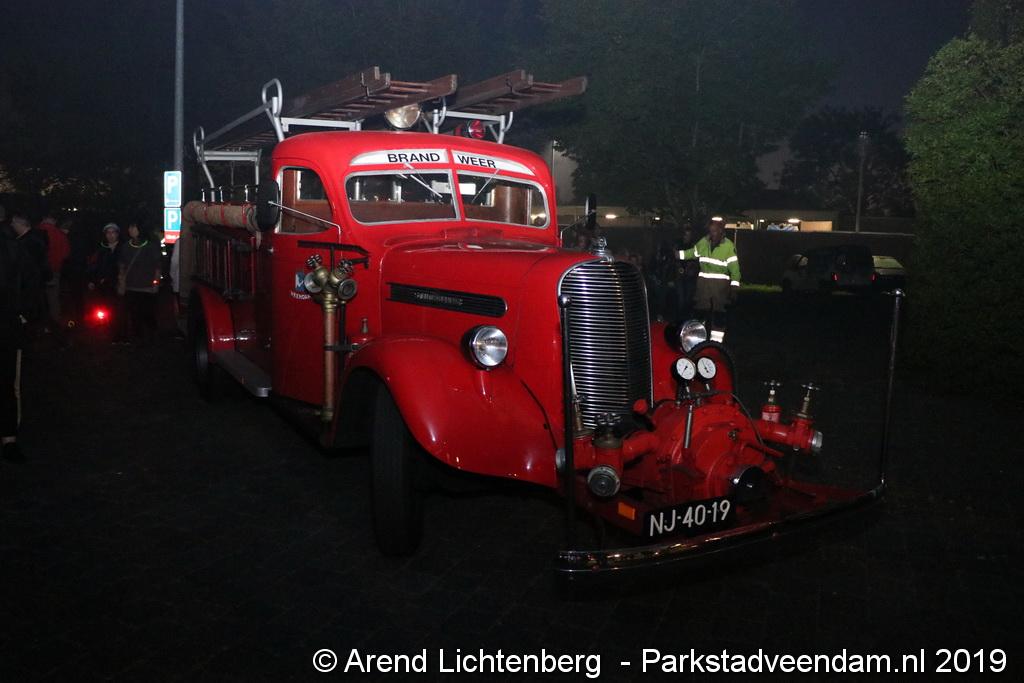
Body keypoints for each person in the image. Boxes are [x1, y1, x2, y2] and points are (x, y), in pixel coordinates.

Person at [1, 214, 45, 462]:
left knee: (8, 383)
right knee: (8, 384)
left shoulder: (13, 248)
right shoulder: (13, 247)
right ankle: (9, 437)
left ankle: (9, 437)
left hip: (7, 324)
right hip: (9, 324)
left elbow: (31, 281)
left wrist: (24, 313)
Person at [678, 217, 741, 343]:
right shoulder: (703, 242)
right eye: (711, 230)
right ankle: (697, 341)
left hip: (720, 289)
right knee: (699, 314)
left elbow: (735, 270)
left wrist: (734, 289)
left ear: (721, 231)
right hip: (703, 287)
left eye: (715, 230)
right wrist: (678, 254)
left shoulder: (728, 246)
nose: (713, 233)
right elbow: (692, 253)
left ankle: (716, 343)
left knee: (719, 316)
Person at [117, 223, 162, 345]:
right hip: (131, 287)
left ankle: (152, 338)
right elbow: (122, 265)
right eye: (130, 227)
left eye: (134, 227)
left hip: (147, 287)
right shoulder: (126, 246)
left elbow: (157, 267)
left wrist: (156, 283)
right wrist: (122, 281)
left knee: (148, 313)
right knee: (134, 314)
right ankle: (138, 339)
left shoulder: (150, 246)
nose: (131, 230)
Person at [36, 214, 70, 328]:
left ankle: (39, 322)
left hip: (37, 272)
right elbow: (66, 254)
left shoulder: (35, 232)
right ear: (54, 221)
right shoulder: (60, 234)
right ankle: (55, 322)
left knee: (38, 297)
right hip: (54, 271)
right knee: (53, 297)